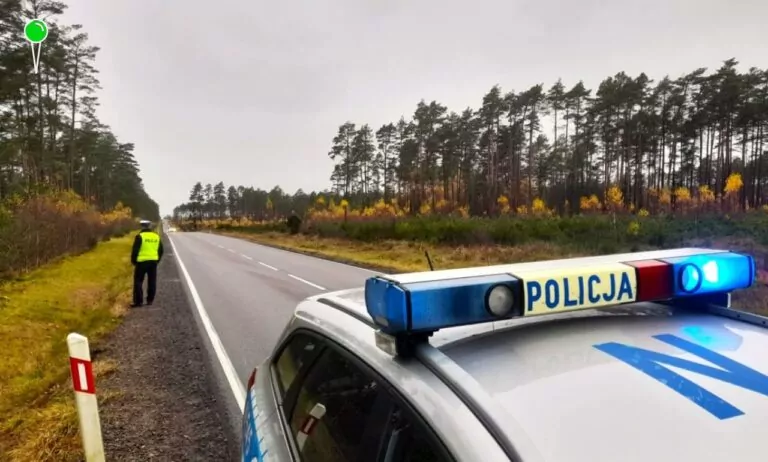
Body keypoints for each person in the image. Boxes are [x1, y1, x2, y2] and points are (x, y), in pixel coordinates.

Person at [130, 219, 163, 307]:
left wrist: (134, 261)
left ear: (142, 226)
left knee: (138, 281)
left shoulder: (140, 236)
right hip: (153, 262)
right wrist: (157, 260)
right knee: (152, 281)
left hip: (141, 262)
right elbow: (161, 250)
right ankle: (150, 300)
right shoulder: (156, 236)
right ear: (150, 226)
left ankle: (138, 301)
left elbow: (135, 250)